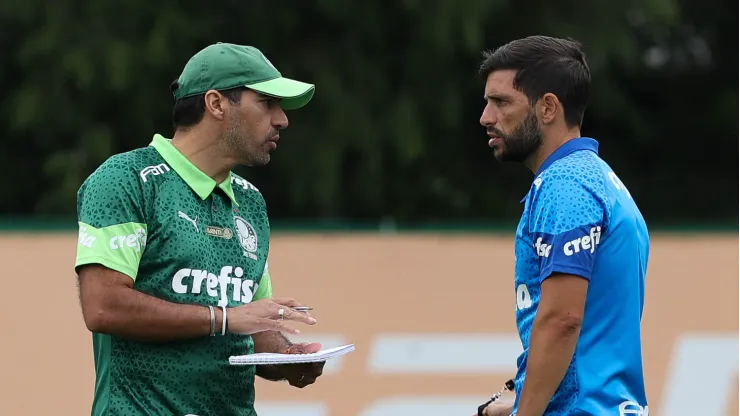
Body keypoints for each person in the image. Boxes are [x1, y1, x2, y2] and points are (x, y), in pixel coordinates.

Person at [74, 42, 326, 416]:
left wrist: (285, 356)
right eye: (267, 103)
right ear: (216, 103)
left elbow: (251, 326)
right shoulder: (126, 179)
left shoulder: (250, 201)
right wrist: (223, 318)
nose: (281, 119)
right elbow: (103, 306)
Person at [475, 36, 650, 416]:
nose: (486, 117)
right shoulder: (597, 178)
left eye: (501, 102)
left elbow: (563, 320)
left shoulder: (566, 185)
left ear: (548, 107)